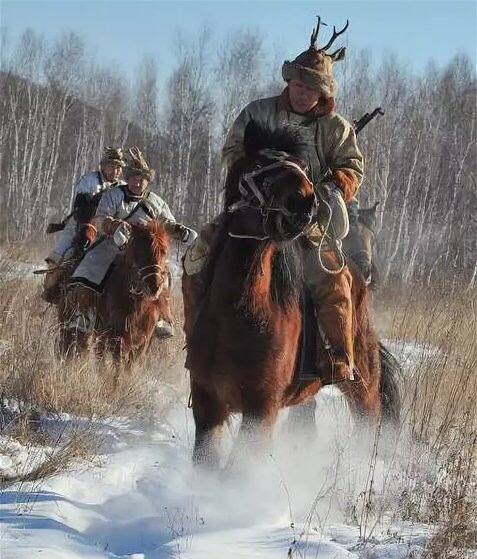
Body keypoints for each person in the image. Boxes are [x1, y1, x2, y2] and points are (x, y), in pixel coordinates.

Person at [184, 17, 363, 384]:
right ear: (289, 82)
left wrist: (329, 186)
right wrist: (253, 175)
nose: (302, 93)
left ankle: (337, 356)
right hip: (251, 210)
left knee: (333, 277)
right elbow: (233, 149)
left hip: (306, 219)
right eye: (298, 84)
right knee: (196, 257)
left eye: (310, 89)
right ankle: (196, 339)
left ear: (323, 94)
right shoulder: (257, 112)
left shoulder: (337, 129)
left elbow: (351, 167)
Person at [67, 147, 186, 340]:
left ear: (148, 181)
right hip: (112, 244)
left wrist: (178, 230)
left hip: (145, 250)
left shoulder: (156, 202)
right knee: (89, 266)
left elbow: (167, 222)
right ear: (128, 178)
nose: (138, 182)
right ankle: (85, 312)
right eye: (135, 178)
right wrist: (114, 225)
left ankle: (163, 317)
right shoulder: (114, 195)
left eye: (143, 179)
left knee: (164, 273)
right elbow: (101, 218)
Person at [42, 146, 126, 302]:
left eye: (118, 168)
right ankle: (51, 288)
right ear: (103, 166)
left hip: (108, 227)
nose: (115, 171)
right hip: (82, 221)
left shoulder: (122, 187)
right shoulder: (90, 180)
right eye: (112, 167)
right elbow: (81, 206)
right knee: (62, 252)